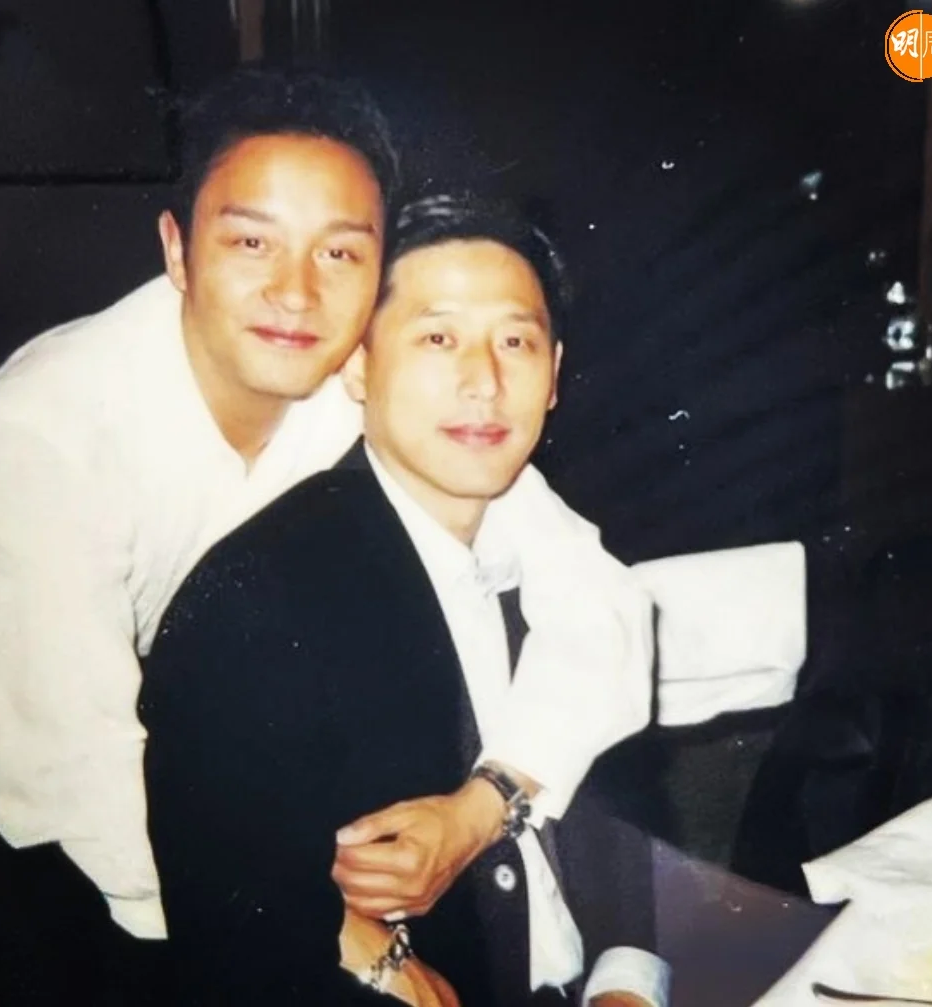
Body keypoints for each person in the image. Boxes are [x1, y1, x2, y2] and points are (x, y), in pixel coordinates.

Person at [0, 67, 650, 1000]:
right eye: (252, 241)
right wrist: (332, 928)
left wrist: (482, 806)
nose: (294, 294)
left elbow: (600, 600)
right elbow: (73, 779)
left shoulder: (342, 382)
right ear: (176, 250)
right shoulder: (49, 430)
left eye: (339, 252)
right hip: (67, 829)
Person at [141, 192, 667, 1007]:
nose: (484, 382)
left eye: (515, 341)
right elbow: (235, 927)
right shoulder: (257, 600)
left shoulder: (564, 563)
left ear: (555, 374)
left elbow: (618, 793)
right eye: (437, 337)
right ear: (358, 364)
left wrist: (626, 980)